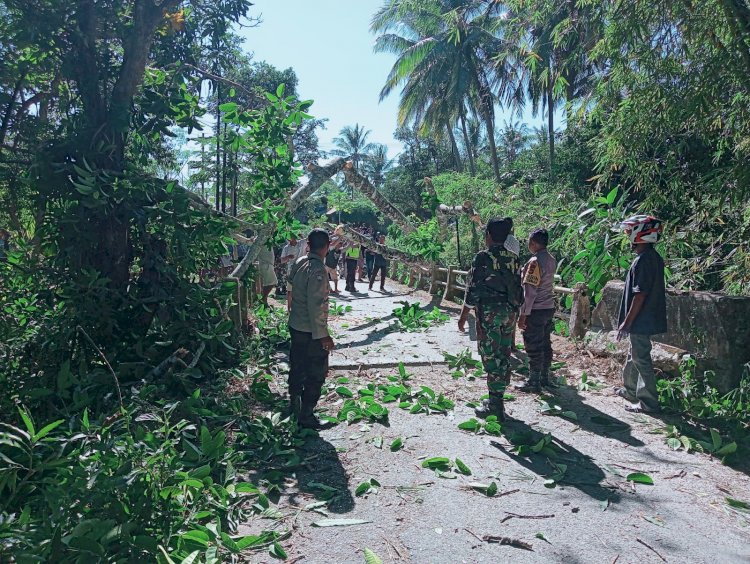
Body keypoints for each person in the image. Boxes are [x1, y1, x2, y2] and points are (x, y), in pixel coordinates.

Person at [458, 218, 523, 420]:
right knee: (503, 353)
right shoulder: (514, 258)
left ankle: (495, 406)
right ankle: (497, 398)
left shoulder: (483, 257)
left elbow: (473, 288)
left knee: (490, 356)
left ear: (488, 236)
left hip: (490, 313)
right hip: (509, 314)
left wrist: (463, 315)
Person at [615, 215, 667, 413]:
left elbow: (640, 294)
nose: (628, 234)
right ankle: (630, 390)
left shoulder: (643, 261)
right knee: (634, 354)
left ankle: (648, 402)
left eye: (630, 231)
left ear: (641, 234)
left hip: (641, 319)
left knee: (641, 358)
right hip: (644, 318)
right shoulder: (651, 258)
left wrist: (627, 322)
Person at [288, 229, 335, 428]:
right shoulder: (318, 270)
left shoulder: (299, 262)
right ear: (327, 246)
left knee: (297, 365)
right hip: (311, 330)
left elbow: (290, 286)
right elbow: (316, 306)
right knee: (316, 372)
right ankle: (306, 414)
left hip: (296, 325)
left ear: (308, 243)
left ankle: (294, 406)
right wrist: (324, 336)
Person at [516, 228, 558, 392]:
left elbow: (530, 291)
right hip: (548, 307)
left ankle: (534, 381)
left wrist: (523, 314)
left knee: (533, 345)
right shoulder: (551, 259)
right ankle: (545, 377)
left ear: (533, 243)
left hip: (536, 309)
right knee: (545, 343)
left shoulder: (534, 262)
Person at [281, 234, 307, 310]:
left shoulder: (302, 243)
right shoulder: (286, 248)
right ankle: (289, 309)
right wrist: (288, 257)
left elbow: (309, 238)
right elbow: (282, 260)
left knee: (302, 290)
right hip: (291, 271)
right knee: (290, 291)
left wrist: (302, 236)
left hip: (302, 270)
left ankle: (301, 308)